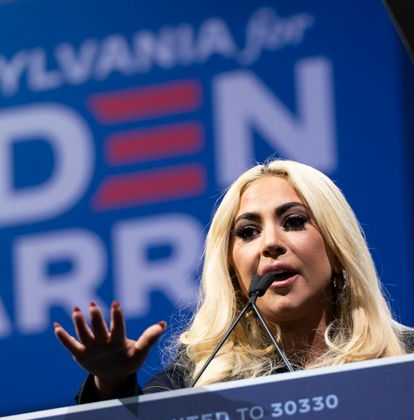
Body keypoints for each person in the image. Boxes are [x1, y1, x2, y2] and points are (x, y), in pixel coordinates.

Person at [53, 159, 414, 402]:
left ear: (337, 249)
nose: (270, 243)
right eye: (248, 232)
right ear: (232, 271)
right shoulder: (196, 381)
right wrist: (112, 383)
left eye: (294, 222)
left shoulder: (405, 359)